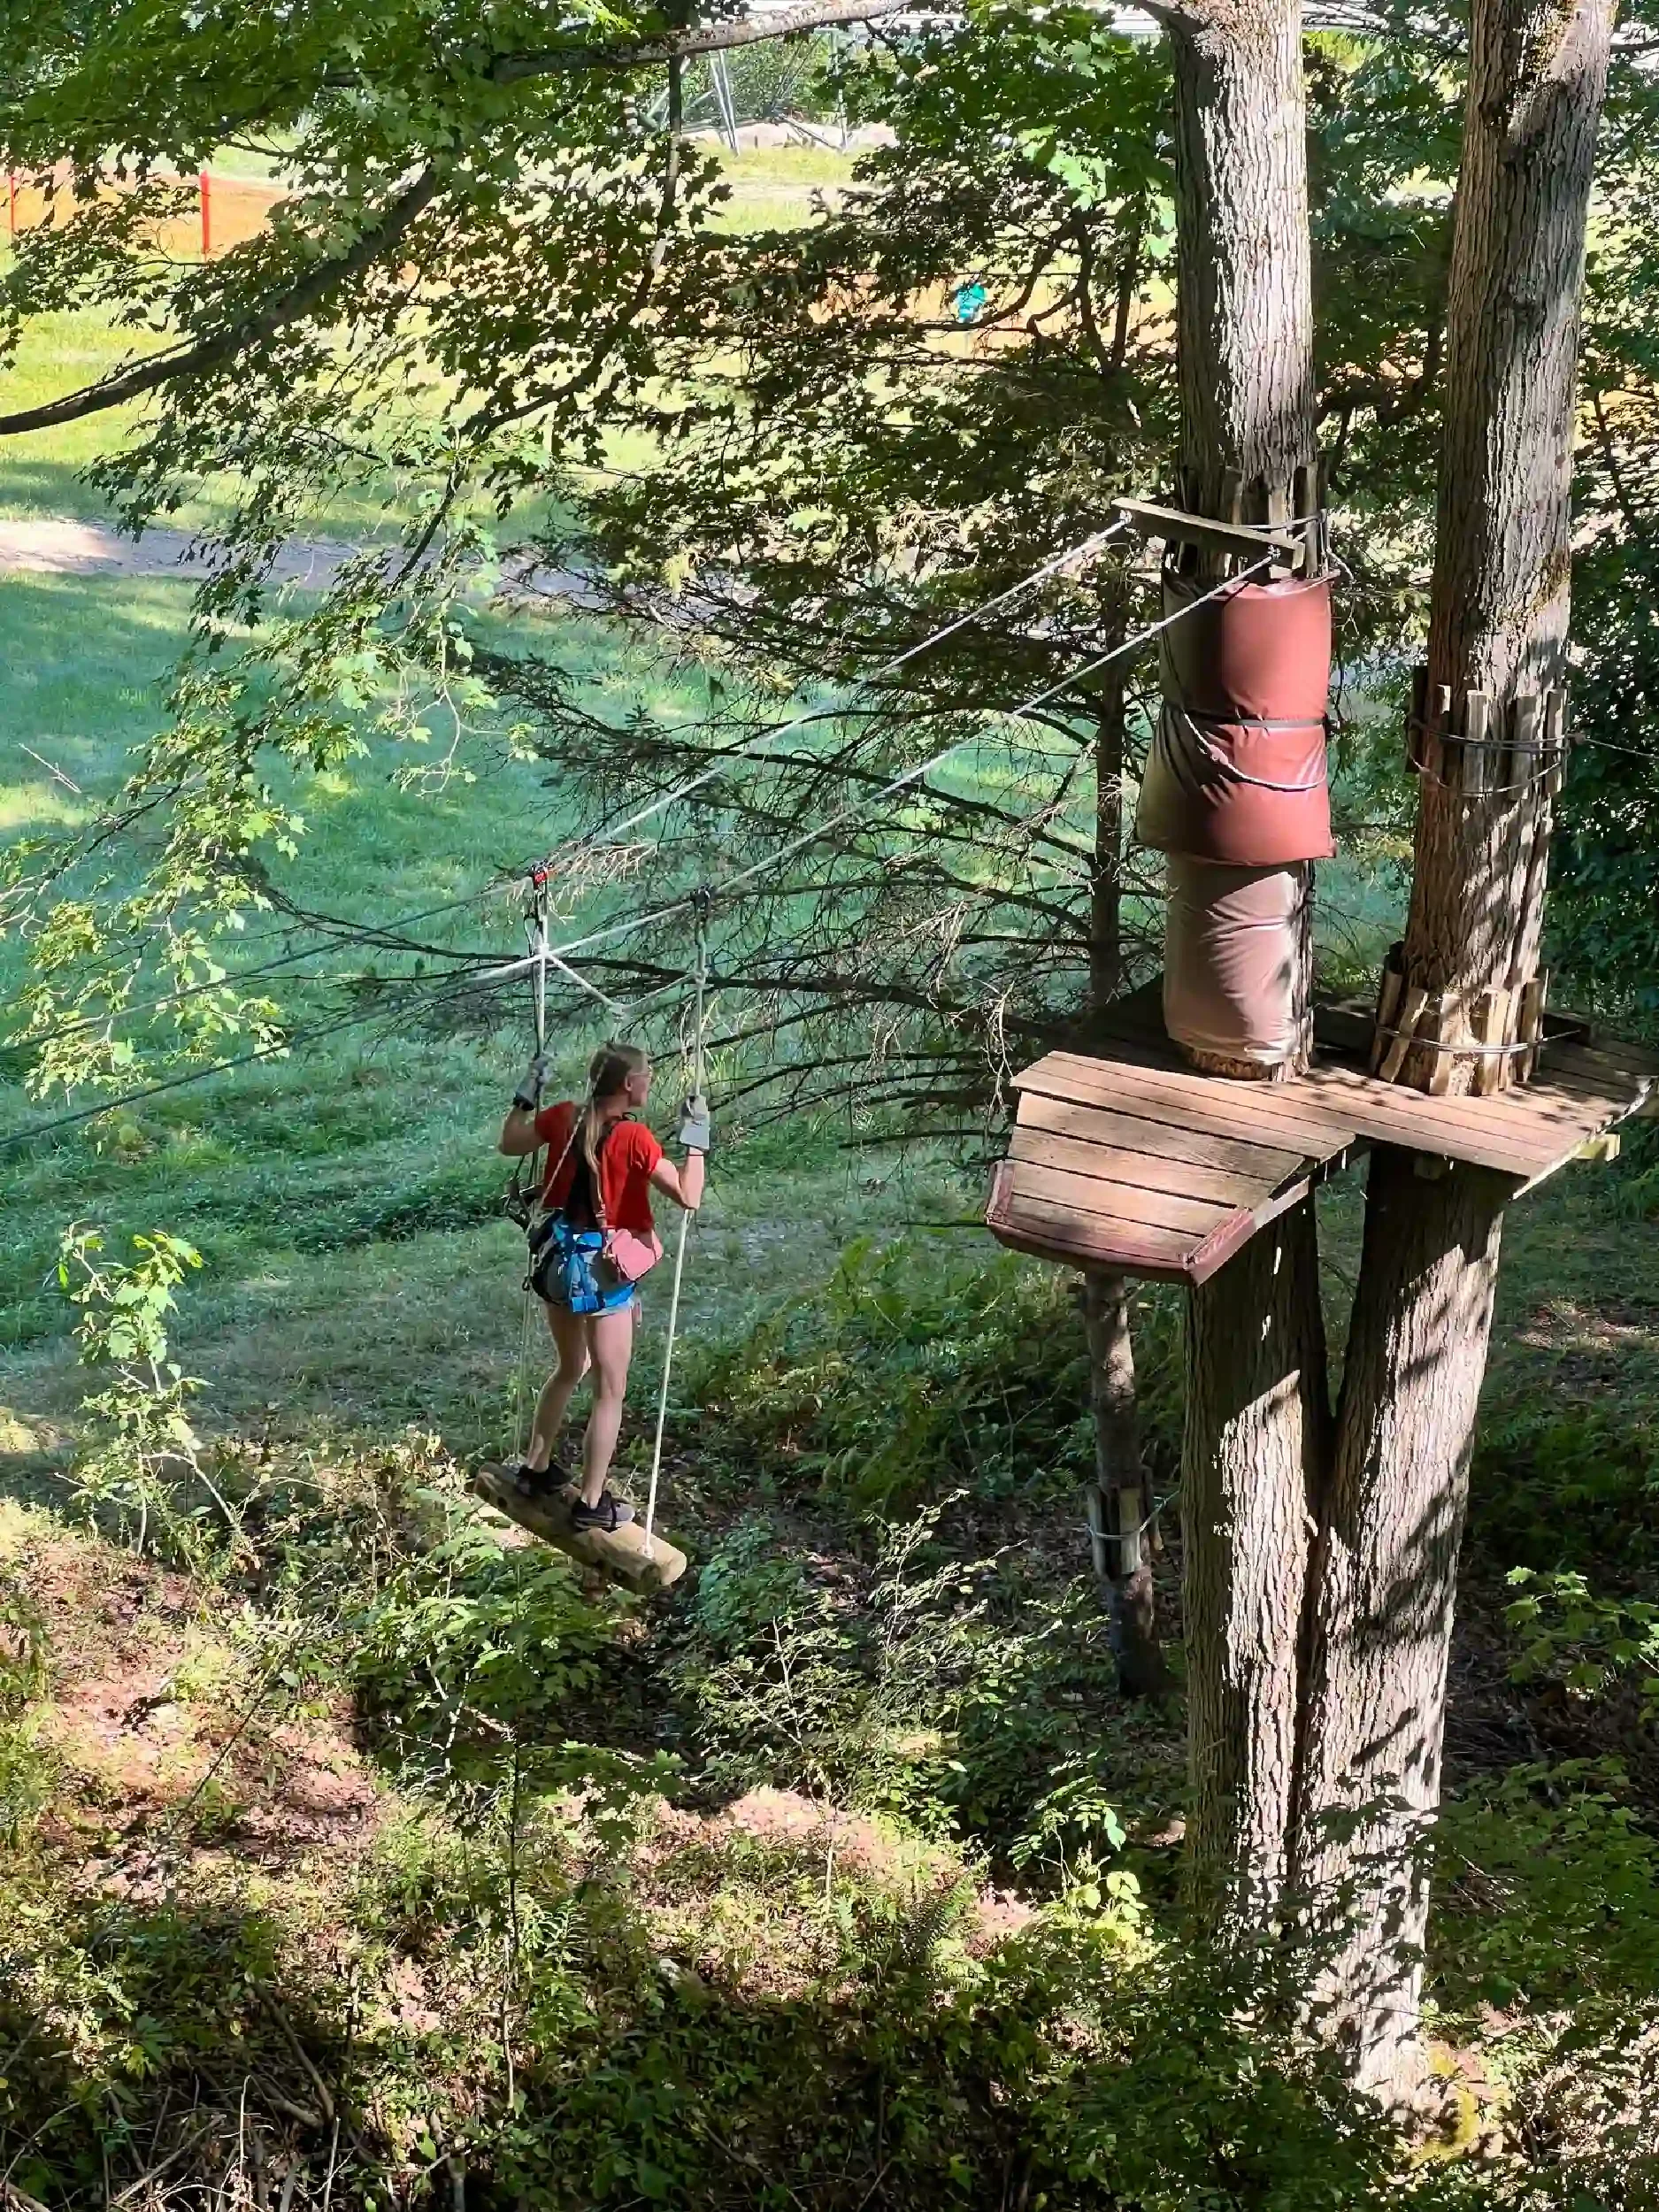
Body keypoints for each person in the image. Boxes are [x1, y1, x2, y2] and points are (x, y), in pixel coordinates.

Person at [498, 1041, 709, 1532]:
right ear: (629, 1086)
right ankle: (591, 1502)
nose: (650, 1080)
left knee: (570, 1367)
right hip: (601, 1271)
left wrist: (527, 1092)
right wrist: (695, 1137)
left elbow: (510, 1143)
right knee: (609, 1391)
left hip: (556, 1263)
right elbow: (689, 1195)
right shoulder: (634, 1138)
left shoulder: (565, 1116)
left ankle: (536, 1466)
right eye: (646, 1074)